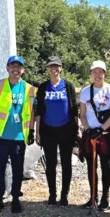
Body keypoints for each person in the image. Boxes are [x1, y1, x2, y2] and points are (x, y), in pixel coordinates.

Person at [0, 55, 35, 215]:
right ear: (7, 68)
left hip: (19, 137)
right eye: (12, 66)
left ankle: (16, 198)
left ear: (23, 70)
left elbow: (32, 111)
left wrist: (32, 130)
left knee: (17, 169)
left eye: (19, 66)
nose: (15, 69)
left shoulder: (29, 89)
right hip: (0, 136)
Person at [35, 56, 79, 206]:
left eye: (56, 66)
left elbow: (74, 110)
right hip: (48, 130)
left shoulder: (68, 86)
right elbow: (39, 110)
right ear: (47, 69)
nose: (54, 69)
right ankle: (52, 194)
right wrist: (37, 132)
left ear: (61, 68)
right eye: (51, 66)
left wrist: (77, 129)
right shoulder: (43, 87)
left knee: (66, 164)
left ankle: (64, 195)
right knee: (51, 164)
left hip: (66, 130)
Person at [79, 60, 110, 210]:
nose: (97, 75)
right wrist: (88, 129)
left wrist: (101, 129)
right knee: (91, 166)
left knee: (105, 165)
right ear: (90, 74)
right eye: (94, 72)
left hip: (105, 132)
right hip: (90, 133)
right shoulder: (85, 91)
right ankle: (93, 197)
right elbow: (82, 114)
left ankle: (105, 197)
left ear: (105, 73)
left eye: (100, 72)